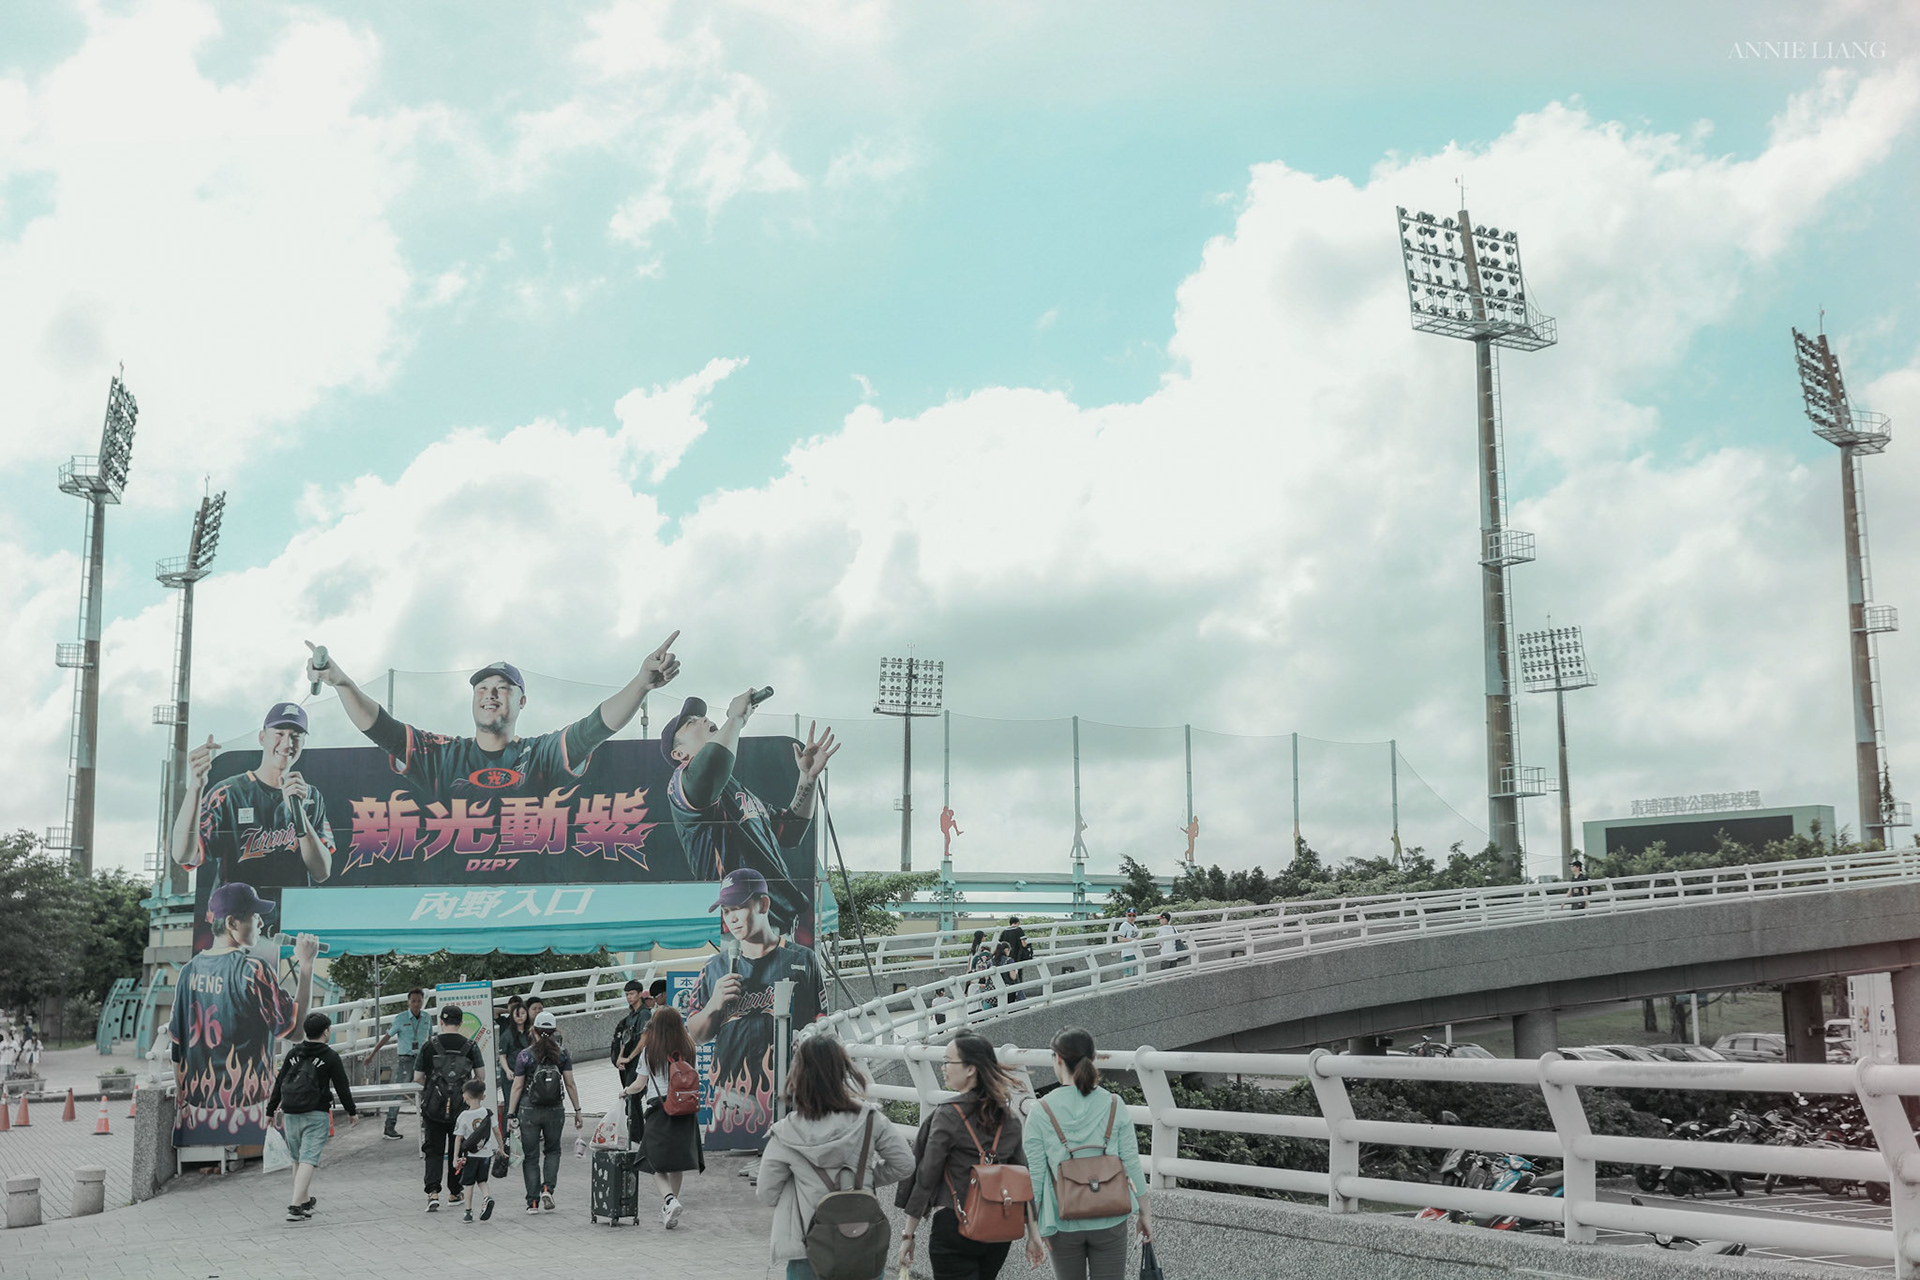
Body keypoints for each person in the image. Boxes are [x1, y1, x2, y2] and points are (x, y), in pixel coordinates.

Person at [304, 635, 680, 881]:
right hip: (450, 899)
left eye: (502, 688)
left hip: (536, 899)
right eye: (482, 688)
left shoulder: (540, 754)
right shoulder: (443, 754)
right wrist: (343, 683)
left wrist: (641, 684)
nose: (490, 694)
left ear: (522, 701)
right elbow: (381, 728)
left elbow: (597, 726)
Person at [662, 692, 839, 943]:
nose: (703, 720)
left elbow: (790, 833)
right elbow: (713, 763)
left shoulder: (736, 791)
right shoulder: (683, 782)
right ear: (679, 754)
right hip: (741, 926)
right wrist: (735, 718)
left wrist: (808, 779)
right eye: (691, 722)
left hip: (780, 923)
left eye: (702, 717)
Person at [170, 703, 334, 953]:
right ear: (262, 738)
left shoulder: (310, 796)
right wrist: (196, 786)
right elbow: (183, 854)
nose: (287, 743)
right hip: (236, 927)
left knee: (290, 980)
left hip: (290, 927)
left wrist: (298, 812)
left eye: (295, 735)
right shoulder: (229, 792)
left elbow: (321, 871)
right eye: (279, 733)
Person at [169, 883, 318, 1149]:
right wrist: (306, 965)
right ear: (231, 923)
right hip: (249, 1107)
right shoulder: (253, 970)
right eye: (254, 915)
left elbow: (177, 1047)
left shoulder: (188, 971)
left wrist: (184, 1101)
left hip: (200, 1109)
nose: (261, 922)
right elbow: (296, 1032)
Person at [757, 1033, 915, 1279]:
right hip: (863, 1246)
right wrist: (863, 1179)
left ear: (798, 1074)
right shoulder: (870, 1119)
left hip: (808, 1250)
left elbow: (766, 1193)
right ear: (842, 1071)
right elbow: (904, 1164)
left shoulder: (786, 1133)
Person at [687, 868, 823, 1141]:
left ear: (764, 904)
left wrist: (808, 1039)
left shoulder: (802, 959)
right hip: (731, 1094)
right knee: (732, 1162)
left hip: (790, 1090)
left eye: (739, 907)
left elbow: (822, 1021)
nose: (732, 918)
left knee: (787, 1157)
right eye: (726, 911)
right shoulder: (714, 968)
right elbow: (696, 1036)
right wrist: (714, 1004)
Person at [1020, 1027, 1151, 1279]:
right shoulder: (1114, 1104)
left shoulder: (1041, 1110)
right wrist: (1145, 1213)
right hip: (1111, 1217)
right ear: (1093, 1058)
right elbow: (1132, 1163)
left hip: (1062, 1221)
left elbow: (1034, 1177)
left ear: (1058, 1059)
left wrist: (1033, 1231)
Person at [898, 1033, 1029, 1280]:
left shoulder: (948, 1115)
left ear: (970, 1069)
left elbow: (927, 1175)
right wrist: (1033, 1234)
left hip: (955, 1225)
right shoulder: (1009, 1117)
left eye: (948, 1061)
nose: (943, 1068)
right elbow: (1022, 1175)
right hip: (998, 1230)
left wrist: (908, 1234)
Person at [266, 1010, 359, 1222]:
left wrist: (270, 1111)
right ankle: (295, 1206)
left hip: (291, 1112)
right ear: (326, 1032)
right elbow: (342, 1087)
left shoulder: (293, 1054)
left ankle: (304, 1200)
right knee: (308, 1159)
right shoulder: (330, 1056)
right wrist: (352, 1111)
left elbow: (279, 1083)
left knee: (297, 1159)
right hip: (316, 1113)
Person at [620, 1004, 704, 1229]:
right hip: (686, 1110)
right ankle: (670, 1207)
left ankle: (669, 1200)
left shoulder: (650, 1051)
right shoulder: (689, 1047)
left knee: (652, 1160)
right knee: (677, 1163)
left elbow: (639, 1084)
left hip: (660, 1109)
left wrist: (625, 1091)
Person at [507, 1011, 583, 1213]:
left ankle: (532, 1203)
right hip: (555, 1110)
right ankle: (548, 1189)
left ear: (534, 1030)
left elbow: (517, 1086)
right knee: (553, 1151)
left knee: (531, 1156)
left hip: (528, 1110)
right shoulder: (562, 1054)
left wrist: (510, 1114)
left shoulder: (525, 1055)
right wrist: (578, 1110)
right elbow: (570, 1084)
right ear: (555, 1031)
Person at [415, 1004, 485, 1213]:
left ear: (441, 1021)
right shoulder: (470, 1046)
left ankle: (433, 1192)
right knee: (459, 1147)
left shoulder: (429, 1045)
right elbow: (481, 1076)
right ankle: (455, 1192)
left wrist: (434, 1088)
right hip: (461, 1107)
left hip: (433, 1108)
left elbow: (418, 1077)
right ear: (461, 1022)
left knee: (433, 1149)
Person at [364, 988, 430, 1140]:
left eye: (419, 1001)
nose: (416, 1004)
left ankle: (426, 1121)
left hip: (423, 1060)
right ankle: (389, 1126)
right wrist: (372, 1054)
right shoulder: (400, 1018)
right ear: (408, 1002)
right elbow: (386, 1037)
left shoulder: (426, 1017)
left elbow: (430, 1039)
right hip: (406, 1060)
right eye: (413, 1001)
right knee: (399, 1092)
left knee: (427, 1090)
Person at [612, 980, 654, 1145]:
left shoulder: (644, 1014)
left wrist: (629, 1058)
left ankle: (638, 1138)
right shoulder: (631, 1016)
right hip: (629, 1063)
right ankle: (636, 1137)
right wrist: (620, 1058)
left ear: (639, 994)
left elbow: (644, 1039)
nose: (629, 997)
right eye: (627, 994)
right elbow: (625, 1039)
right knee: (631, 1099)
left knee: (633, 1098)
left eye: (631, 994)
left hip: (638, 1062)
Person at [452, 1079, 496, 1223]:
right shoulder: (488, 1113)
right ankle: (487, 1197)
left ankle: (468, 1212)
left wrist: (455, 1157)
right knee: (482, 1180)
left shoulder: (463, 1116)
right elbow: (496, 1131)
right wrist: (501, 1148)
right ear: (483, 1096)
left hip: (470, 1156)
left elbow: (458, 1138)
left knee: (468, 1184)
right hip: (486, 1154)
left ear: (465, 1097)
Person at [494, 997, 529, 1130]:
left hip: (528, 1074)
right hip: (511, 1074)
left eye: (523, 1013)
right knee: (510, 1105)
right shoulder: (507, 1034)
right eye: (516, 1013)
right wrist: (507, 1070)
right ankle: (508, 1135)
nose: (520, 1016)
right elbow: (502, 1055)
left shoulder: (531, 1033)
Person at [998, 917, 1030, 1003]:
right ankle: (1018, 996)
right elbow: (1023, 944)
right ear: (1017, 922)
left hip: (1006, 958)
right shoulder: (1018, 930)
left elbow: (1000, 944)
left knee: (1007, 977)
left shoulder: (1004, 931)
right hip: (1017, 956)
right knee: (1017, 976)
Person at [1114, 910, 1142, 979]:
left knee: (1134, 974)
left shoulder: (1134, 926)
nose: (1131, 917)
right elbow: (1119, 938)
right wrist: (1132, 940)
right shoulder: (1124, 926)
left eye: (1133, 915)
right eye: (1129, 915)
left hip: (1134, 952)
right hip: (1127, 953)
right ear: (1126, 915)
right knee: (1127, 974)